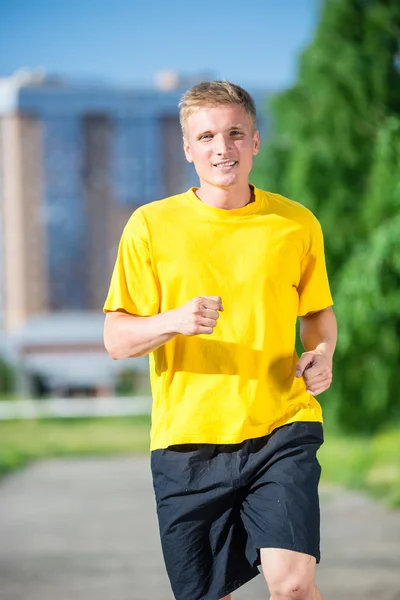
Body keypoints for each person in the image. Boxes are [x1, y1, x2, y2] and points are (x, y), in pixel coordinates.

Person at [103, 80, 337, 600]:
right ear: (188, 148)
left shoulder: (295, 223)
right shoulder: (150, 226)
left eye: (235, 133)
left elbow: (318, 312)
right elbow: (117, 339)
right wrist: (173, 321)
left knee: (295, 585)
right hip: (187, 443)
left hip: (281, 428)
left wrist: (321, 355)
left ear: (255, 141)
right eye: (206, 136)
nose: (221, 148)